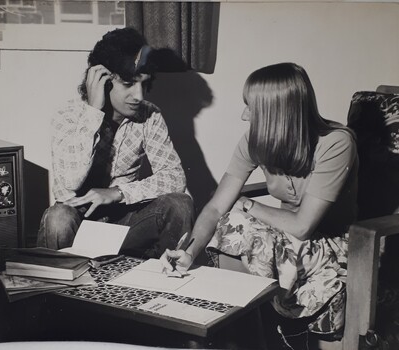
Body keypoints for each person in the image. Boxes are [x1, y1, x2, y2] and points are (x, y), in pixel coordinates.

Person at [161, 62, 358, 337]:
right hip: (285, 238)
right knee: (228, 221)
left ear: (277, 113)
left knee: (239, 223)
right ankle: (238, 331)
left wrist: (248, 204)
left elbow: (303, 226)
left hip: (335, 246)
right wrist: (189, 253)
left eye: (251, 107)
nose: (244, 115)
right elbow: (216, 206)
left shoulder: (336, 144)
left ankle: (241, 333)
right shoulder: (255, 140)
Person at [37, 27, 194, 259]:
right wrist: (93, 112)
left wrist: (118, 192)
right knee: (58, 217)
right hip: (77, 223)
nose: (139, 96)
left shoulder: (149, 115)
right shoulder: (68, 116)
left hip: (125, 223)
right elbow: (68, 185)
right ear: (101, 79)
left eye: (144, 84)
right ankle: (57, 294)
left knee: (180, 204)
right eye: (129, 84)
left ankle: (167, 281)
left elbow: (175, 178)